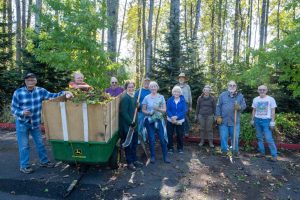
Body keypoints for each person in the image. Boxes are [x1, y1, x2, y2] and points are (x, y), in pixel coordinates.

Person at [11, 73, 73, 174]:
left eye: (32, 79)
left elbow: (52, 96)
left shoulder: (41, 91)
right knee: (24, 146)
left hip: (35, 123)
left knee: (40, 144)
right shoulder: (18, 92)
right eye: (28, 80)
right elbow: (13, 108)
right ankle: (24, 166)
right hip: (22, 123)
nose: (30, 81)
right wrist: (22, 112)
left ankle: (44, 162)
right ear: (25, 81)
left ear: (36, 81)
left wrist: (65, 92)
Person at [216, 80, 246, 156]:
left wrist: (239, 107)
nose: (232, 87)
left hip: (235, 122)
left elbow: (244, 106)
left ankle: (235, 151)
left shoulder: (240, 96)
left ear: (236, 87)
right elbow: (218, 106)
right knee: (223, 137)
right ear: (227, 86)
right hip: (223, 121)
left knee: (235, 137)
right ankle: (224, 151)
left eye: (234, 85)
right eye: (230, 85)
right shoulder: (222, 95)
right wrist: (218, 116)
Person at [142, 81, 170, 163]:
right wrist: (149, 113)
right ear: (149, 88)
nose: (153, 88)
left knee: (162, 138)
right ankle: (153, 156)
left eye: (155, 86)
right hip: (150, 120)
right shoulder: (146, 97)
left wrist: (157, 109)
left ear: (157, 87)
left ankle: (165, 156)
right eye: (152, 86)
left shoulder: (161, 97)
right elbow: (143, 110)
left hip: (159, 120)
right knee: (151, 138)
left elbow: (164, 110)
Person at [119, 81, 143, 171]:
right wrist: (130, 122)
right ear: (126, 88)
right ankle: (129, 163)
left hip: (134, 125)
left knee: (134, 144)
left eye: (132, 87)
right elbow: (123, 112)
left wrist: (139, 106)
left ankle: (134, 160)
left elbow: (137, 109)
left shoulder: (134, 97)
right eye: (129, 87)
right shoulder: (125, 98)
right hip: (128, 126)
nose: (131, 88)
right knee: (128, 145)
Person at [251, 85, 278, 162]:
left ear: (266, 91)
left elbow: (273, 111)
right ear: (258, 91)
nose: (262, 91)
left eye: (263, 90)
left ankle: (274, 155)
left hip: (267, 121)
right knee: (259, 137)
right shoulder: (255, 99)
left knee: (269, 138)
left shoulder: (271, 99)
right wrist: (252, 120)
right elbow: (254, 110)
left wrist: (272, 122)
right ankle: (261, 153)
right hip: (257, 120)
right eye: (260, 90)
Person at [166, 86, 186, 154]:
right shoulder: (169, 100)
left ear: (180, 93)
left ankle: (180, 148)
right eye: (175, 91)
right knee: (170, 134)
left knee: (180, 134)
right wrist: (172, 117)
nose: (176, 93)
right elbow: (168, 110)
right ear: (172, 92)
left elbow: (184, 110)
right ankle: (170, 148)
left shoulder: (183, 100)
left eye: (178, 92)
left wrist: (176, 117)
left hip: (180, 120)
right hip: (170, 120)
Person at [134, 77, 151, 141]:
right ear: (143, 82)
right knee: (140, 126)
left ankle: (148, 139)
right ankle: (140, 139)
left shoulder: (151, 90)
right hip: (140, 112)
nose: (147, 83)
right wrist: (137, 103)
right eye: (145, 81)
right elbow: (134, 99)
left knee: (148, 126)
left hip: (149, 112)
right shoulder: (139, 90)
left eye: (148, 81)